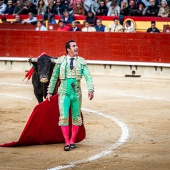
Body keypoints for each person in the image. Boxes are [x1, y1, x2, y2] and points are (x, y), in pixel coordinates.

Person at [46, 40, 94, 151]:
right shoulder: (61, 61)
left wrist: (91, 89)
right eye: (74, 46)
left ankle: (72, 141)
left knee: (76, 117)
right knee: (63, 116)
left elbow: (88, 76)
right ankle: (66, 142)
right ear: (68, 49)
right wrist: (49, 92)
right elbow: (54, 77)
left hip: (76, 92)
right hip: (64, 92)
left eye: (77, 45)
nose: (76, 47)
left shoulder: (81, 62)